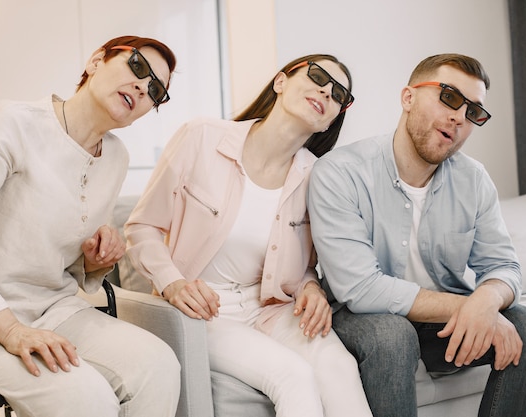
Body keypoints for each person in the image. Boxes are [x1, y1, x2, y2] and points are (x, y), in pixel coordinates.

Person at [0, 35, 181, 417]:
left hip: (54, 311)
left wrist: (97, 258)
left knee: (159, 365)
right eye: (137, 67)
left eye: (155, 90)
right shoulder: (13, 124)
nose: (143, 87)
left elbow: (73, 265)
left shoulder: (116, 158)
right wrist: (11, 330)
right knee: (84, 395)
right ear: (96, 61)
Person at [124, 54, 372, 417]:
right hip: (205, 311)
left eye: (339, 95)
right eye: (317, 76)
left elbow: (301, 268)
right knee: (294, 376)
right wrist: (173, 283)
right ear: (281, 82)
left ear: (333, 118)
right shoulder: (202, 137)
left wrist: (311, 288)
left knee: (340, 369)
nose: (326, 91)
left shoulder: (316, 176)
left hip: (274, 309)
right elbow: (142, 226)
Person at [308, 53, 526, 417]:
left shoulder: (474, 179)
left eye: (474, 112)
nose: (460, 117)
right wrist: (472, 307)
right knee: (392, 335)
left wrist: (488, 299)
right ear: (408, 98)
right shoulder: (339, 172)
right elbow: (360, 288)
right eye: (449, 97)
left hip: (440, 326)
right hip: (363, 318)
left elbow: (504, 265)